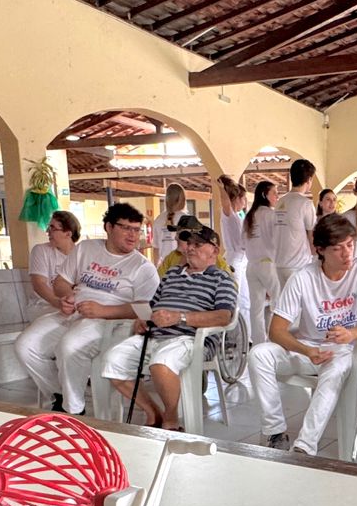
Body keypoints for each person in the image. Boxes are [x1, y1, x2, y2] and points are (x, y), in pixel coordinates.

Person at [247, 213, 357, 456]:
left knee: (334, 369)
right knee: (258, 355)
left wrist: (351, 334)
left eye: (350, 245)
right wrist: (307, 350)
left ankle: (305, 446)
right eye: (338, 249)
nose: (347, 253)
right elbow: (276, 330)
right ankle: (275, 432)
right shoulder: (303, 277)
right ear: (320, 250)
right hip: (308, 349)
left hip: (345, 350)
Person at [13, 203, 158, 412]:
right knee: (25, 345)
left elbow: (146, 310)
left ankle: (73, 410)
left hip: (108, 322)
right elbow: (60, 283)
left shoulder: (143, 267)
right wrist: (66, 297)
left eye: (137, 230)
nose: (133, 235)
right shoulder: (86, 248)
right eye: (126, 228)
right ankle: (60, 395)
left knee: (70, 346)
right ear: (109, 227)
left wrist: (104, 311)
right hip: (72, 313)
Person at [102, 223, 237, 430]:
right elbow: (153, 306)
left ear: (214, 250)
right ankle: (153, 412)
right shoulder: (172, 274)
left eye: (198, 244)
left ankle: (171, 420)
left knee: (161, 364)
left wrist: (180, 318)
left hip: (190, 339)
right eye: (189, 243)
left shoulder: (221, 278)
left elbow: (224, 316)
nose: (190, 248)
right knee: (112, 362)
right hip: (154, 335)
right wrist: (143, 319)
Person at [242, 180, 280, 344]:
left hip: (252, 265)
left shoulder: (249, 216)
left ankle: (258, 343)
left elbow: (243, 243)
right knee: (278, 303)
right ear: (265, 195)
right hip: (268, 264)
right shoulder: (271, 215)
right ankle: (276, 341)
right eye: (274, 193)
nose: (277, 196)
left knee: (256, 308)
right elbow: (278, 241)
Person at [216, 174, 251, 334]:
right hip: (234, 261)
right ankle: (235, 335)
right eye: (243, 198)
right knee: (237, 300)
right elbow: (225, 202)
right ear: (236, 199)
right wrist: (222, 189)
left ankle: (246, 336)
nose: (245, 201)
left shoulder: (239, 216)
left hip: (242, 261)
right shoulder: (229, 215)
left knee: (245, 301)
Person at [28, 209, 79, 315]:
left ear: (68, 234)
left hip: (75, 306)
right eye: (48, 227)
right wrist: (58, 303)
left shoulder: (81, 254)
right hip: (45, 305)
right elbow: (39, 284)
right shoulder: (41, 250)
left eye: (52, 228)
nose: (47, 231)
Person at [150, 184, 188, 264]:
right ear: (182, 199)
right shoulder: (187, 219)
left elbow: (156, 248)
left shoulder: (158, 220)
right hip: (183, 265)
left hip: (164, 265)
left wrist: (156, 267)